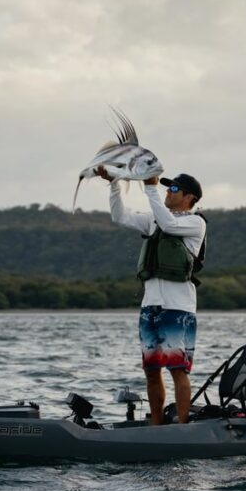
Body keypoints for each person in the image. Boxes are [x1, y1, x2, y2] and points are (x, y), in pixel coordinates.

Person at [96, 167, 206, 425]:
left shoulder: (194, 223)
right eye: (167, 187)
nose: (168, 191)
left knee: (178, 370)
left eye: (174, 188)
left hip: (177, 309)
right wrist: (114, 184)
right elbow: (119, 216)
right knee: (151, 371)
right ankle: (156, 427)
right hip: (150, 308)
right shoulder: (154, 220)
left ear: (189, 197)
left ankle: (182, 427)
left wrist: (150, 187)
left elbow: (169, 223)